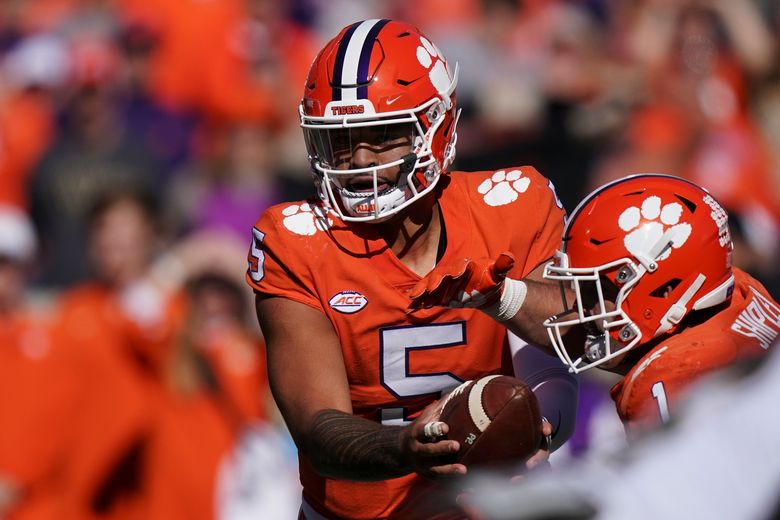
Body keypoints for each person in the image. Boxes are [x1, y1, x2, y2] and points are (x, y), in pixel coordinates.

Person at [246, 18, 578, 520]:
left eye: (380, 136)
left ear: (436, 128)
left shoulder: (511, 205)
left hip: (494, 507)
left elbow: (557, 354)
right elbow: (317, 428)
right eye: (341, 140)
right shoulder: (296, 242)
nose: (358, 161)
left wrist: (541, 424)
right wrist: (403, 448)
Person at [541, 174, 778, 435]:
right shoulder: (742, 291)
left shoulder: (672, 376)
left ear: (666, 289)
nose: (588, 311)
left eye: (603, 289)